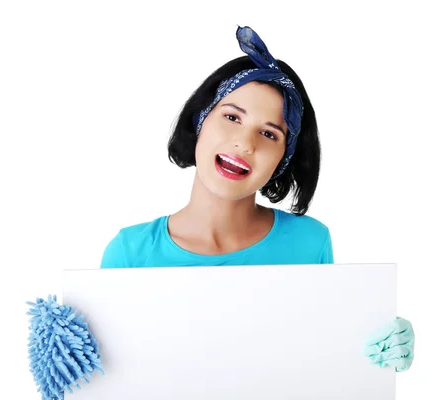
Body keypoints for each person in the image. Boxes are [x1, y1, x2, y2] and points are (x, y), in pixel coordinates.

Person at [100, 25, 414, 372]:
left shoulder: (310, 243)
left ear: (284, 158)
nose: (246, 144)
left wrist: (374, 346)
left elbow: (318, 360)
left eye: (268, 133)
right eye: (232, 117)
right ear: (200, 120)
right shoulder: (129, 252)